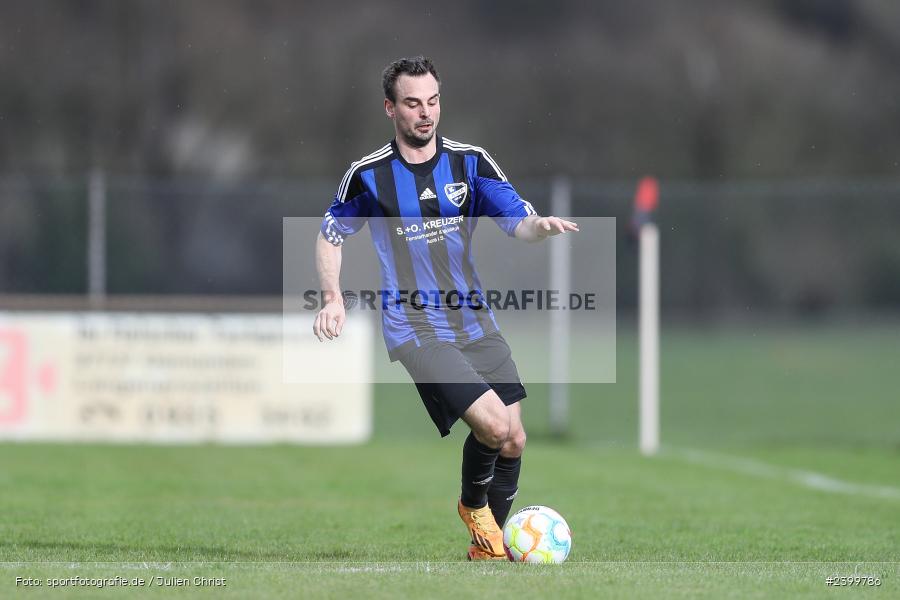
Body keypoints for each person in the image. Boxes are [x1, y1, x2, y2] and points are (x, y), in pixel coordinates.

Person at [313, 56, 578, 560]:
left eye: (432, 101)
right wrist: (332, 298)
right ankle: (472, 506)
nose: (425, 113)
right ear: (390, 108)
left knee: (515, 439)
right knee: (494, 427)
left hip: (475, 320)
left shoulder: (470, 162)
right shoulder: (367, 175)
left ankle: (487, 549)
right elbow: (330, 236)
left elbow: (518, 221)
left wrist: (539, 228)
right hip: (416, 327)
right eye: (412, 103)